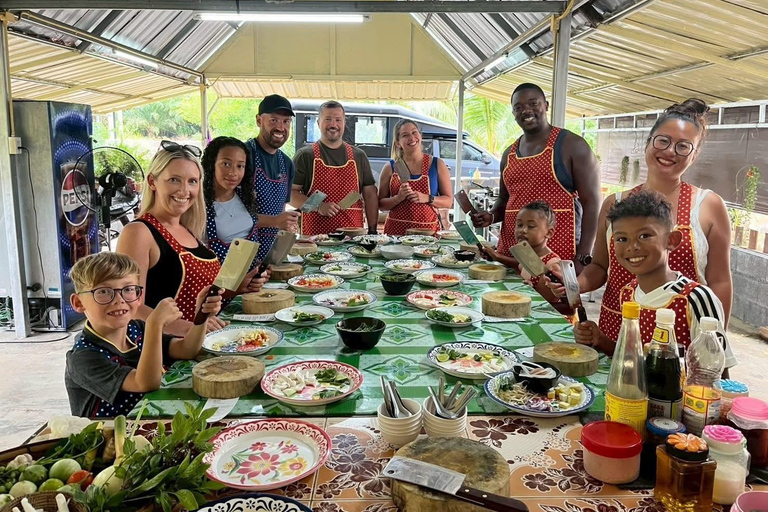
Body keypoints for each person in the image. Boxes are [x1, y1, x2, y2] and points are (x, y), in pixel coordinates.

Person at [559, 99, 733, 344]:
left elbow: (720, 281)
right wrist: (572, 286)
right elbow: (599, 267)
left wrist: (716, 344)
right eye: (663, 140)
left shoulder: (708, 206)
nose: (670, 151)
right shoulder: (614, 204)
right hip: (613, 334)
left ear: (694, 156)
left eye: (683, 146)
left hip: (676, 340)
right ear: (648, 142)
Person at [573, 190, 736, 370]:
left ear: (672, 240)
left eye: (645, 236)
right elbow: (635, 359)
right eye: (621, 239)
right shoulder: (628, 293)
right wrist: (601, 340)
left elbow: (716, 375)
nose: (632, 247)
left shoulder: (696, 299)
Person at [117, 141, 266, 336]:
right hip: (167, 352)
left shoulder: (188, 228)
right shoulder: (139, 232)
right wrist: (189, 328)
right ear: (152, 182)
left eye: (192, 181)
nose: (184, 190)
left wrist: (237, 288)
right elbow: (129, 305)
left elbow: (199, 294)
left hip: (204, 340)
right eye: (174, 180)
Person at [64, 252, 222, 418]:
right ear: (78, 302)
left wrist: (202, 315)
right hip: (113, 437)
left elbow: (186, 349)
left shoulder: (136, 329)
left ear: (139, 296)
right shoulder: (83, 358)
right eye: (103, 291)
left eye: (128, 289)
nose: (119, 300)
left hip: (151, 421)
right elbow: (145, 383)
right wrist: (155, 325)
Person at [471, 82, 600, 270]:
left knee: (553, 299)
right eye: (518, 107)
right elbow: (505, 199)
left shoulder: (572, 146)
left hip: (557, 254)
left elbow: (592, 202)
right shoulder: (509, 154)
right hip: (511, 253)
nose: (526, 111)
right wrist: (491, 216)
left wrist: (583, 255)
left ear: (546, 105)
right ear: (513, 113)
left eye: (533, 103)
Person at [291, 100, 379, 235]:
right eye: (328, 119)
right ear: (318, 123)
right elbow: (291, 194)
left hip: (352, 238)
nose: (333, 124)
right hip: (316, 239)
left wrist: (372, 231)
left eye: (338, 120)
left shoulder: (358, 156)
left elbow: (370, 195)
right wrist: (318, 206)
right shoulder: (305, 155)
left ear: (344, 123)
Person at [245, 95, 301, 260]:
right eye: (274, 120)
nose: (280, 128)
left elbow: (281, 209)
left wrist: (286, 224)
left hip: (272, 252)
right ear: (259, 121)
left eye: (286, 122)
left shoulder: (287, 163)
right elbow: (231, 215)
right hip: (243, 249)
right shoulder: (243, 156)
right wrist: (276, 221)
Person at [378, 119, 453, 235]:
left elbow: (448, 201)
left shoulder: (437, 165)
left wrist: (428, 198)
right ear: (398, 143)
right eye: (405, 135)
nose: (411, 138)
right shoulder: (391, 167)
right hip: (396, 233)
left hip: (427, 234)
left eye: (414, 133)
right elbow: (381, 204)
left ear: (420, 136)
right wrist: (398, 198)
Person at [486, 200, 563, 307]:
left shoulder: (552, 265)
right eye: (519, 225)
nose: (523, 230)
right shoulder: (526, 255)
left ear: (549, 233)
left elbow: (547, 302)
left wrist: (530, 292)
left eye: (531, 226)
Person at [202, 136, 259, 267]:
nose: (234, 173)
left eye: (240, 166)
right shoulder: (200, 205)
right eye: (226, 164)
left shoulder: (245, 197)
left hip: (251, 278)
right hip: (219, 284)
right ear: (212, 165)